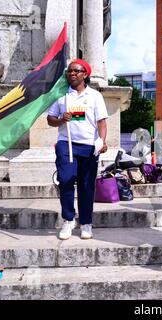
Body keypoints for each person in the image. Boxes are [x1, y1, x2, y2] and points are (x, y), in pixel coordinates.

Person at [47, 59, 108, 240]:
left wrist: (101, 141)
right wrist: (61, 119)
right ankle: (68, 219)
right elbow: (50, 119)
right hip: (67, 144)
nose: (72, 74)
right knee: (65, 179)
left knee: (86, 185)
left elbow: (102, 122)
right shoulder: (61, 95)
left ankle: (86, 223)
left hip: (89, 145)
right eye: (70, 71)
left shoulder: (95, 96)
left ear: (85, 74)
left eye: (76, 71)